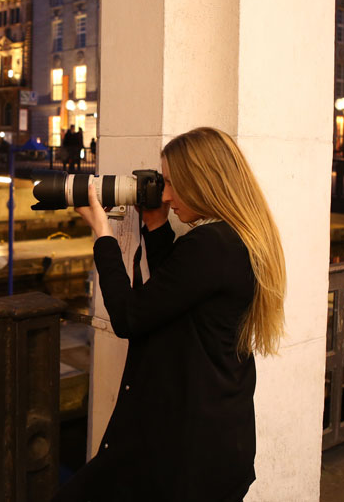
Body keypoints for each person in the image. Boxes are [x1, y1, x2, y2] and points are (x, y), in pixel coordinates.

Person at [52, 127, 286, 501]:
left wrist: (103, 233)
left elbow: (129, 317)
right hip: (214, 439)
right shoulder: (235, 238)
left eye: (174, 184)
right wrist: (158, 225)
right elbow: (177, 291)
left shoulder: (210, 246)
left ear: (205, 183)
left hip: (187, 454)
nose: (166, 195)